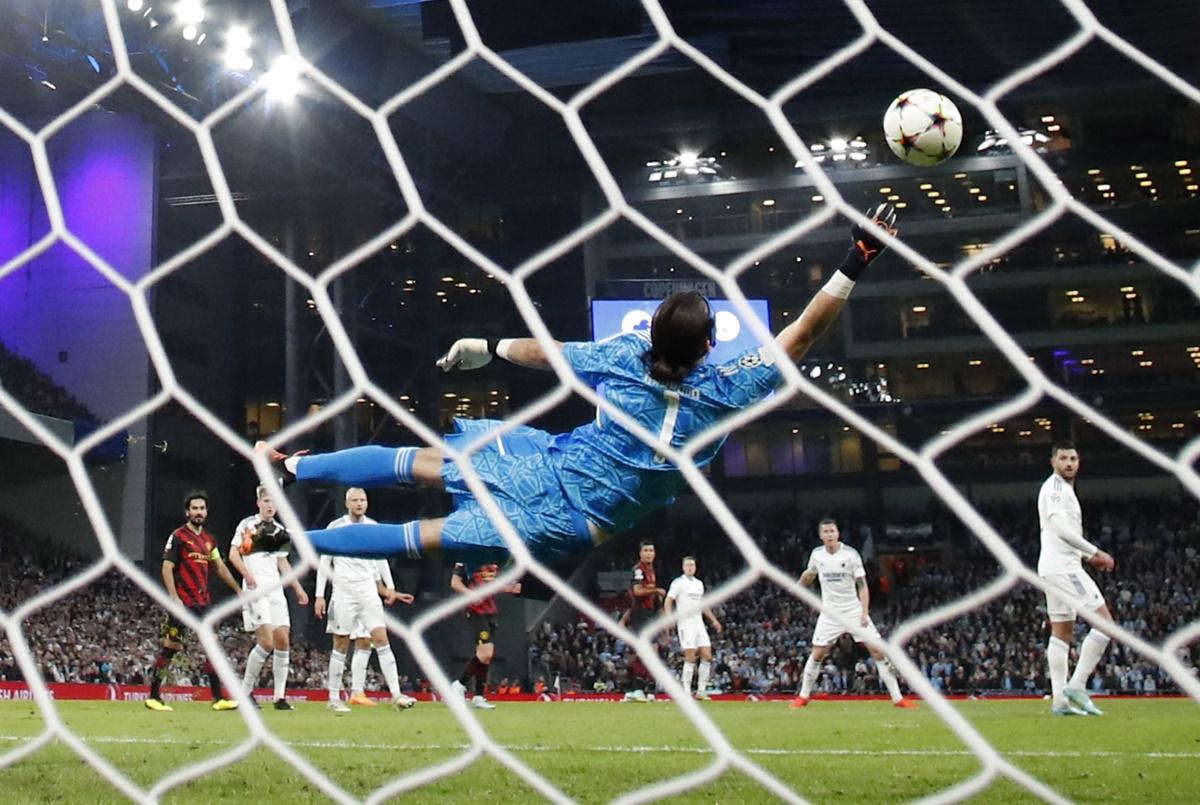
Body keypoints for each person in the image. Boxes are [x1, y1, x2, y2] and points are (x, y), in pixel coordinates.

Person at [259, 205, 898, 568]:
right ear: (710, 347)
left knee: (422, 466)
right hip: (573, 520)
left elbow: (550, 355)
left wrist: (488, 347)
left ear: (652, 331)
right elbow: (803, 335)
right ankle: (293, 543)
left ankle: (295, 466)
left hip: (548, 467)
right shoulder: (723, 393)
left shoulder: (623, 357)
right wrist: (856, 260)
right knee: (420, 538)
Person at [790, 518, 917, 709]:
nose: (829, 535)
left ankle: (897, 698)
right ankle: (803, 696)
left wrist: (864, 612)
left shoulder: (850, 555)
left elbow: (862, 585)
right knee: (818, 654)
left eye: (832, 531)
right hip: (830, 612)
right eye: (826, 532)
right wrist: (797, 587)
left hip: (852, 610)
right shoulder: (817, 555)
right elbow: (810, 573)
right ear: (821, 535)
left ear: (838, 533)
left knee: (877, 650)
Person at [315, 488, 416, 713]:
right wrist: (319, 595)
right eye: (355, 500)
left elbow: (381, 558)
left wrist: (390, 587)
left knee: (381, 638)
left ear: (367, 503)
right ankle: (333, 697)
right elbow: (325, 562)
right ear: (347, 503)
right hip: (343, 592)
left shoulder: (373, 527)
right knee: (340, 643)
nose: (359, 504)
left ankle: (396, 695)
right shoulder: (336, 527)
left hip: (368, 591)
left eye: (363, 500)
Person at [145, 492, 244, 712]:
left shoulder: (210, 540)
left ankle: (218, 698)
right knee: (172, 647)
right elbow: (167, 567)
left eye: (202, 508)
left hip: (203, 602)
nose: (199, 512)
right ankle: (153, 696)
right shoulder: (179, 536)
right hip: (183, 602)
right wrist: (173, 598)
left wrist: (238, 590)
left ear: (206, 512)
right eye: (195, 508)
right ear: (187, 512)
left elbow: (219, 567)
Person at [1038, 442, 1115, 716]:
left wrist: (1084, 556)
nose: (1069, 463)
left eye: (1073, 458)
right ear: (1053, 462)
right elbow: (1058, 527)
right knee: (1106, 624)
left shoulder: (1061, 489)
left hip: (1053, 566)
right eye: (1064, 458)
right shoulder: (1057, 489)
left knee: (1062, 631)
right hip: (1063, 569)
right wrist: (1094, 552)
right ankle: (1078, 685)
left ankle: (1059, 700)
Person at [228, 485, 309, 710]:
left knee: (283, 639)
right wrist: (247, 575)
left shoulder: (280, 531)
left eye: (274, 502)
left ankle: (279, 697)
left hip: (276, 590)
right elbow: (233, 553)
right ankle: (245, 693)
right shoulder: (248, 525)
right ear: (259, 503)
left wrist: (298, 588)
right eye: (267, 501)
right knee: (266, 641)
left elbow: (282, 562)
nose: (271, 506)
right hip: (256, 590)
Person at [449, 562, 520, 710]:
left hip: (490, 611)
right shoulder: (466, 559)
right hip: (475, 610)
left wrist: (508, 588)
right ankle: (459, 684)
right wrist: (471, 594)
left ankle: (479, 696)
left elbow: (493, 585)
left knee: (485, 657)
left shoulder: (495, 559)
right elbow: (455, 583)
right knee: (486, 652)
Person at [664, 556, 722, 700]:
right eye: (688, 565)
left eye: (692, 565)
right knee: (690, 656)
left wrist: (713, 620)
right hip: (685, 623)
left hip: (698, 623)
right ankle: (686, 691)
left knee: (707, 655)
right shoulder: (678, 583)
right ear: (683, 567)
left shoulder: (699, 584)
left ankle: (701, 690)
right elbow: (668, 601)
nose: (690, 567)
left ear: (695, 567)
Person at [622, 540, 664, 702]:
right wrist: (656, 590)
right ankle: (637, 689)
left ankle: (641, 689)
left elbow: (653, 598)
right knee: (643, 652)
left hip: (650, 615)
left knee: (651, 651)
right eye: (645, 550)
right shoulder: (638, 570)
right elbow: (637, 591)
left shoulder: (651, 570)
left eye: (651, 550)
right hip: (640, 614)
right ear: (640, 553)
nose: (648, 553)